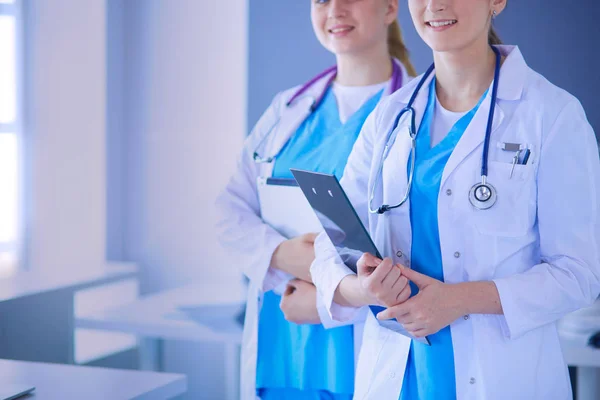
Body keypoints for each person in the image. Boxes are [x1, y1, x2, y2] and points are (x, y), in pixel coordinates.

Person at [310, 0, 600, 399]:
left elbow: (579, 274)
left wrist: (457, 301)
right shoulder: (392, 114)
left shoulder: (551, 115)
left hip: (501, 379)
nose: (434, 5)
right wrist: (362, 290)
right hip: (395, 377)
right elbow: (332, 237)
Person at [215, 1, 416, 399]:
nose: (335, 10)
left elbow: (421, 246)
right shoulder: (287, 109)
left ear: (390, 8)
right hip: (283, 341)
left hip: (362, 339)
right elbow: (228, 211)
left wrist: (328, 296)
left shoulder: (417, 110)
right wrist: (281, 254)